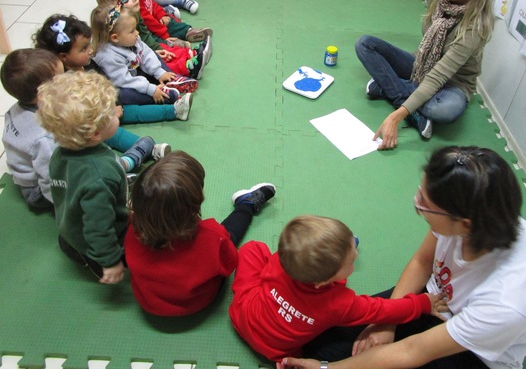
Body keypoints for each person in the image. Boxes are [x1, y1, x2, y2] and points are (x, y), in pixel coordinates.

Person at [279, 146, 526, 369]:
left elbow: (413, 351)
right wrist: (390, 318)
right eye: (420, 193)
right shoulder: (472, 211)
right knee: (318, 345)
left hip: (472, 352)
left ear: (465, 225)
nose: (417, 206)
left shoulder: (506, 302)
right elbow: (422, 262)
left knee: (331, 361)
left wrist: (326, 368)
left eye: (424, 203)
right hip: (432, 299)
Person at [229, 215, 446, 362]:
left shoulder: (279, 262)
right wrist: (423, 303)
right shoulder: (341, 303)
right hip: (277, 352)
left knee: (253, 248)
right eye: (351, 261)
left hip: (242, 315)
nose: (357, 256)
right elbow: (383, 309)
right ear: (322, 283)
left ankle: (339, 254)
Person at [354, 0, 496, 149]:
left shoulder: (476, 26)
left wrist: (395, 117)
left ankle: (389, 87)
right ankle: (409, 104)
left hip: (453, 84)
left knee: (444, 111)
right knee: (365, 45)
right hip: (421, 64)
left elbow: (439, 76)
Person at [124, 150, 276, 316]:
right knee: (228, 235)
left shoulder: (131, 227)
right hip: (197, 301)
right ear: (194, 204)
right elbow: (229, 264)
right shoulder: (212, 235)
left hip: (149, 302)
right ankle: (247, 204)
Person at [36, 71, 130, 284]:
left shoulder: (60, 153)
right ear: (95, 134)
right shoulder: (99, 176)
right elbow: (99, 226)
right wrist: (110, 261)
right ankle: (93, 260)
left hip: (70, 225)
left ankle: (71, 243)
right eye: (112, 113)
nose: (117, 112)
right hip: (96, 240)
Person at [33, 13, 179, 145]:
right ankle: (145, 147)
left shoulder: (87, 63)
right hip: (90, 122)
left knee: (129, 106)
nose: (91, 50)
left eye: (89, 44)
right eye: (84, 49)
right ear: (64, 56)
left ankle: (174, 109)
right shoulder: (62, 81)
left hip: (106, 104)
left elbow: (106, 82)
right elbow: (75, 115)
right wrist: (106, 111)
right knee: (115, 129)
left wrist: (112, 103)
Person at [94, 0, 205, 92]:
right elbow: (126, 78)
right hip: (134, 72)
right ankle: (186, 68)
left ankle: (189, 56)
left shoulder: (133, 14)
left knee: (158, 53)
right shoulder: (113, 44)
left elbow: (144, 36)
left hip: (142, 53)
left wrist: (157, 46)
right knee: (159, 57)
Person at [90, 1, 196, 117]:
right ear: (115, 38)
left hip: (134, 73)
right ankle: (165, 97)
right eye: (132, 31)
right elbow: (126, 81)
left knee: (152, 54)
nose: (137, 33)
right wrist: (151, 90)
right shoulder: (108, 57)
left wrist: (159, 72)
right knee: (123, 94)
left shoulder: (130, 38)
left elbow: (145, 53)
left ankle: (171, 79)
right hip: (123, 84)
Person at [0, 49, 64, 211]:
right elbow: (52, 178)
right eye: (61, 80)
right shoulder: (44, 137)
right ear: (43, 95)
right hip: (37, 190)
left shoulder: (17, 107)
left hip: (25, 168)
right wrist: (64, 203)